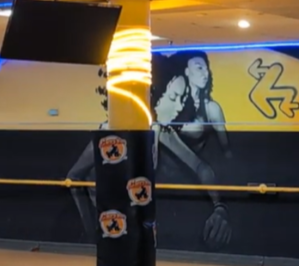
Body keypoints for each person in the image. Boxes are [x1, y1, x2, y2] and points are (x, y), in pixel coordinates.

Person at [68, 54, 231, 247]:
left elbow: (200, 167)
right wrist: (89, 229)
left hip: (135, 217)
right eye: (174, 97)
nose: (179, 106)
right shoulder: (109, 132)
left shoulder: (158, 130)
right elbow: (74, 177)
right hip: (110, 220)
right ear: (154, 96)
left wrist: (219, 205)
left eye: (183, 98)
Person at [178, 51, 231, 158]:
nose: (205, 73)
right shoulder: (170, 103)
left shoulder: (211, 109)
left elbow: (226, 149)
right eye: (199, 68)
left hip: (193, 168)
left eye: (206, 69)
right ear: (187, 71)